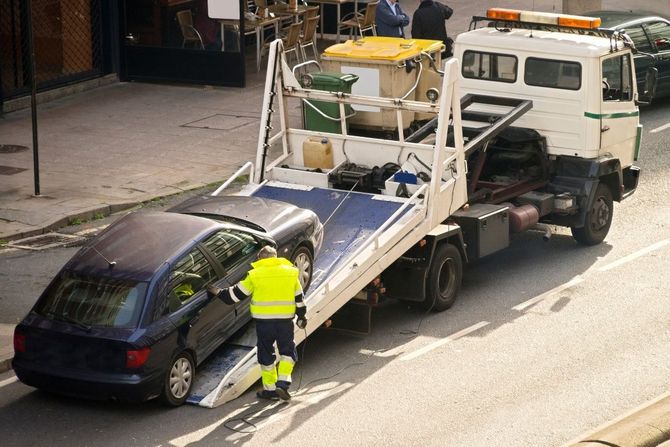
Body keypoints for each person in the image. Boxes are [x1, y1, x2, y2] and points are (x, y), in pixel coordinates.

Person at [207, 245, 307, 401]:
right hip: (285, 322)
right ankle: (283, 382)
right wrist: (302, 316)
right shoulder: (291, 273)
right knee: (288, 351)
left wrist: (217, 292)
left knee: (266, 354)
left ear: (260, 259)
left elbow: (234, 296)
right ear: (275, 257)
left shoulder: (254, 275)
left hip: (264, 324)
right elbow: (299, 298)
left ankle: (271, 390)